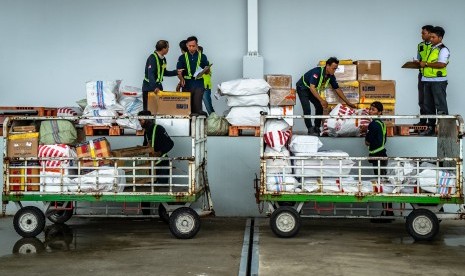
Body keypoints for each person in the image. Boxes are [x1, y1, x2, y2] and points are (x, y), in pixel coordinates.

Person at [296, 57, 357, 136]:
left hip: (311, 89)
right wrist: (322, 100)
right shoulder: (317, 72)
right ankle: (310, 129)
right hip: (302, 88)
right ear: (327, 66)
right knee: (307, 109)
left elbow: (337, 89)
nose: (334, 70)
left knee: (319, 107)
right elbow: (312, 87)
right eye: (333, 68)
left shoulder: (331, 76)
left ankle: (317, 127)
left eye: (335, 69)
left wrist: (348, 102)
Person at [138, 110, 174, 215]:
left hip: (162, 163)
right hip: (151, 165)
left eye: (141, 120)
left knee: (162, 190)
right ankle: (146, 214)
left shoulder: (158, 129)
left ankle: (166, 214)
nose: (140, 122)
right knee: (146, 188)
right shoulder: (146, 132)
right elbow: (146, 146)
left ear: (147, 119)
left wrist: (160, 152)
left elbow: (170, 143)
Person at [364, 101, 393, 221]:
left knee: (381, 185)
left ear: (380, 112)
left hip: (377, 156)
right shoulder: (382, 124)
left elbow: (368, 141)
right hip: (383, 155)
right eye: (370, 109)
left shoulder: (373, 124)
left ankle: (387, 214)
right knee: (384, 183)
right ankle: (388, 212)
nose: (371, 111)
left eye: (374, 110)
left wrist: (366, 138)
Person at [419, 26, 450, 136]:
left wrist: (426, 64)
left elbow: (441, 64)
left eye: (433, 37)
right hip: (427, 80)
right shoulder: (431, 48)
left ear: (440, 38)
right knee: (428, 106)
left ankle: (444, 130)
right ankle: (431, 128)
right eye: (430, 36)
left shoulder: (443, 49)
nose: (430, 39)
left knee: (440, 106)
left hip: (438, 81)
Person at [142, 40, 180, 111]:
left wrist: (176, 72)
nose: (168, 49)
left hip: (158, 87)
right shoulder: (152, 58)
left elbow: (164, 72)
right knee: (148, 111)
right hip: (149, 87)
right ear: (163, 49)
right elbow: (151, 75)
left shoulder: (163, 59)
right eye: (168, 47)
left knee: (158, 110)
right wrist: (154, 87)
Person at [176, 36, 210, 116]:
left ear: (197, 46)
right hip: (187, 84)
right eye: (189, 46)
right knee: (187, 109)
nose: (191, 48)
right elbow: (179, 71)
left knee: (197, 109)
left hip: (198, 83)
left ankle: (197, 127)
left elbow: (207, 71)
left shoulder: (203, 56)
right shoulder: (182, 57)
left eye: (193, 46)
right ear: (187, 46)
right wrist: (181, 79)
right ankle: (188, 127)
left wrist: (206, 70)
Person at [415, 25, 434, 126]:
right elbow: (419, 59)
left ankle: (431, 123)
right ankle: (423, 121)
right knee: (421, 99)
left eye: (423, 33)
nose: (421, 35)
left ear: (430, 33)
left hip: (432, 76)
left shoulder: (435, 46)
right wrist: (416, 62)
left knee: (430, 101)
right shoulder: (420, 45)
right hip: (422, 74)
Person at [198, 46, 215, 115]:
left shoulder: (205, 62)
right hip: (197, 87)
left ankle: (215, 121)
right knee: (197, 107)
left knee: (208, 107)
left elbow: (208, 72)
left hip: (205, 87)